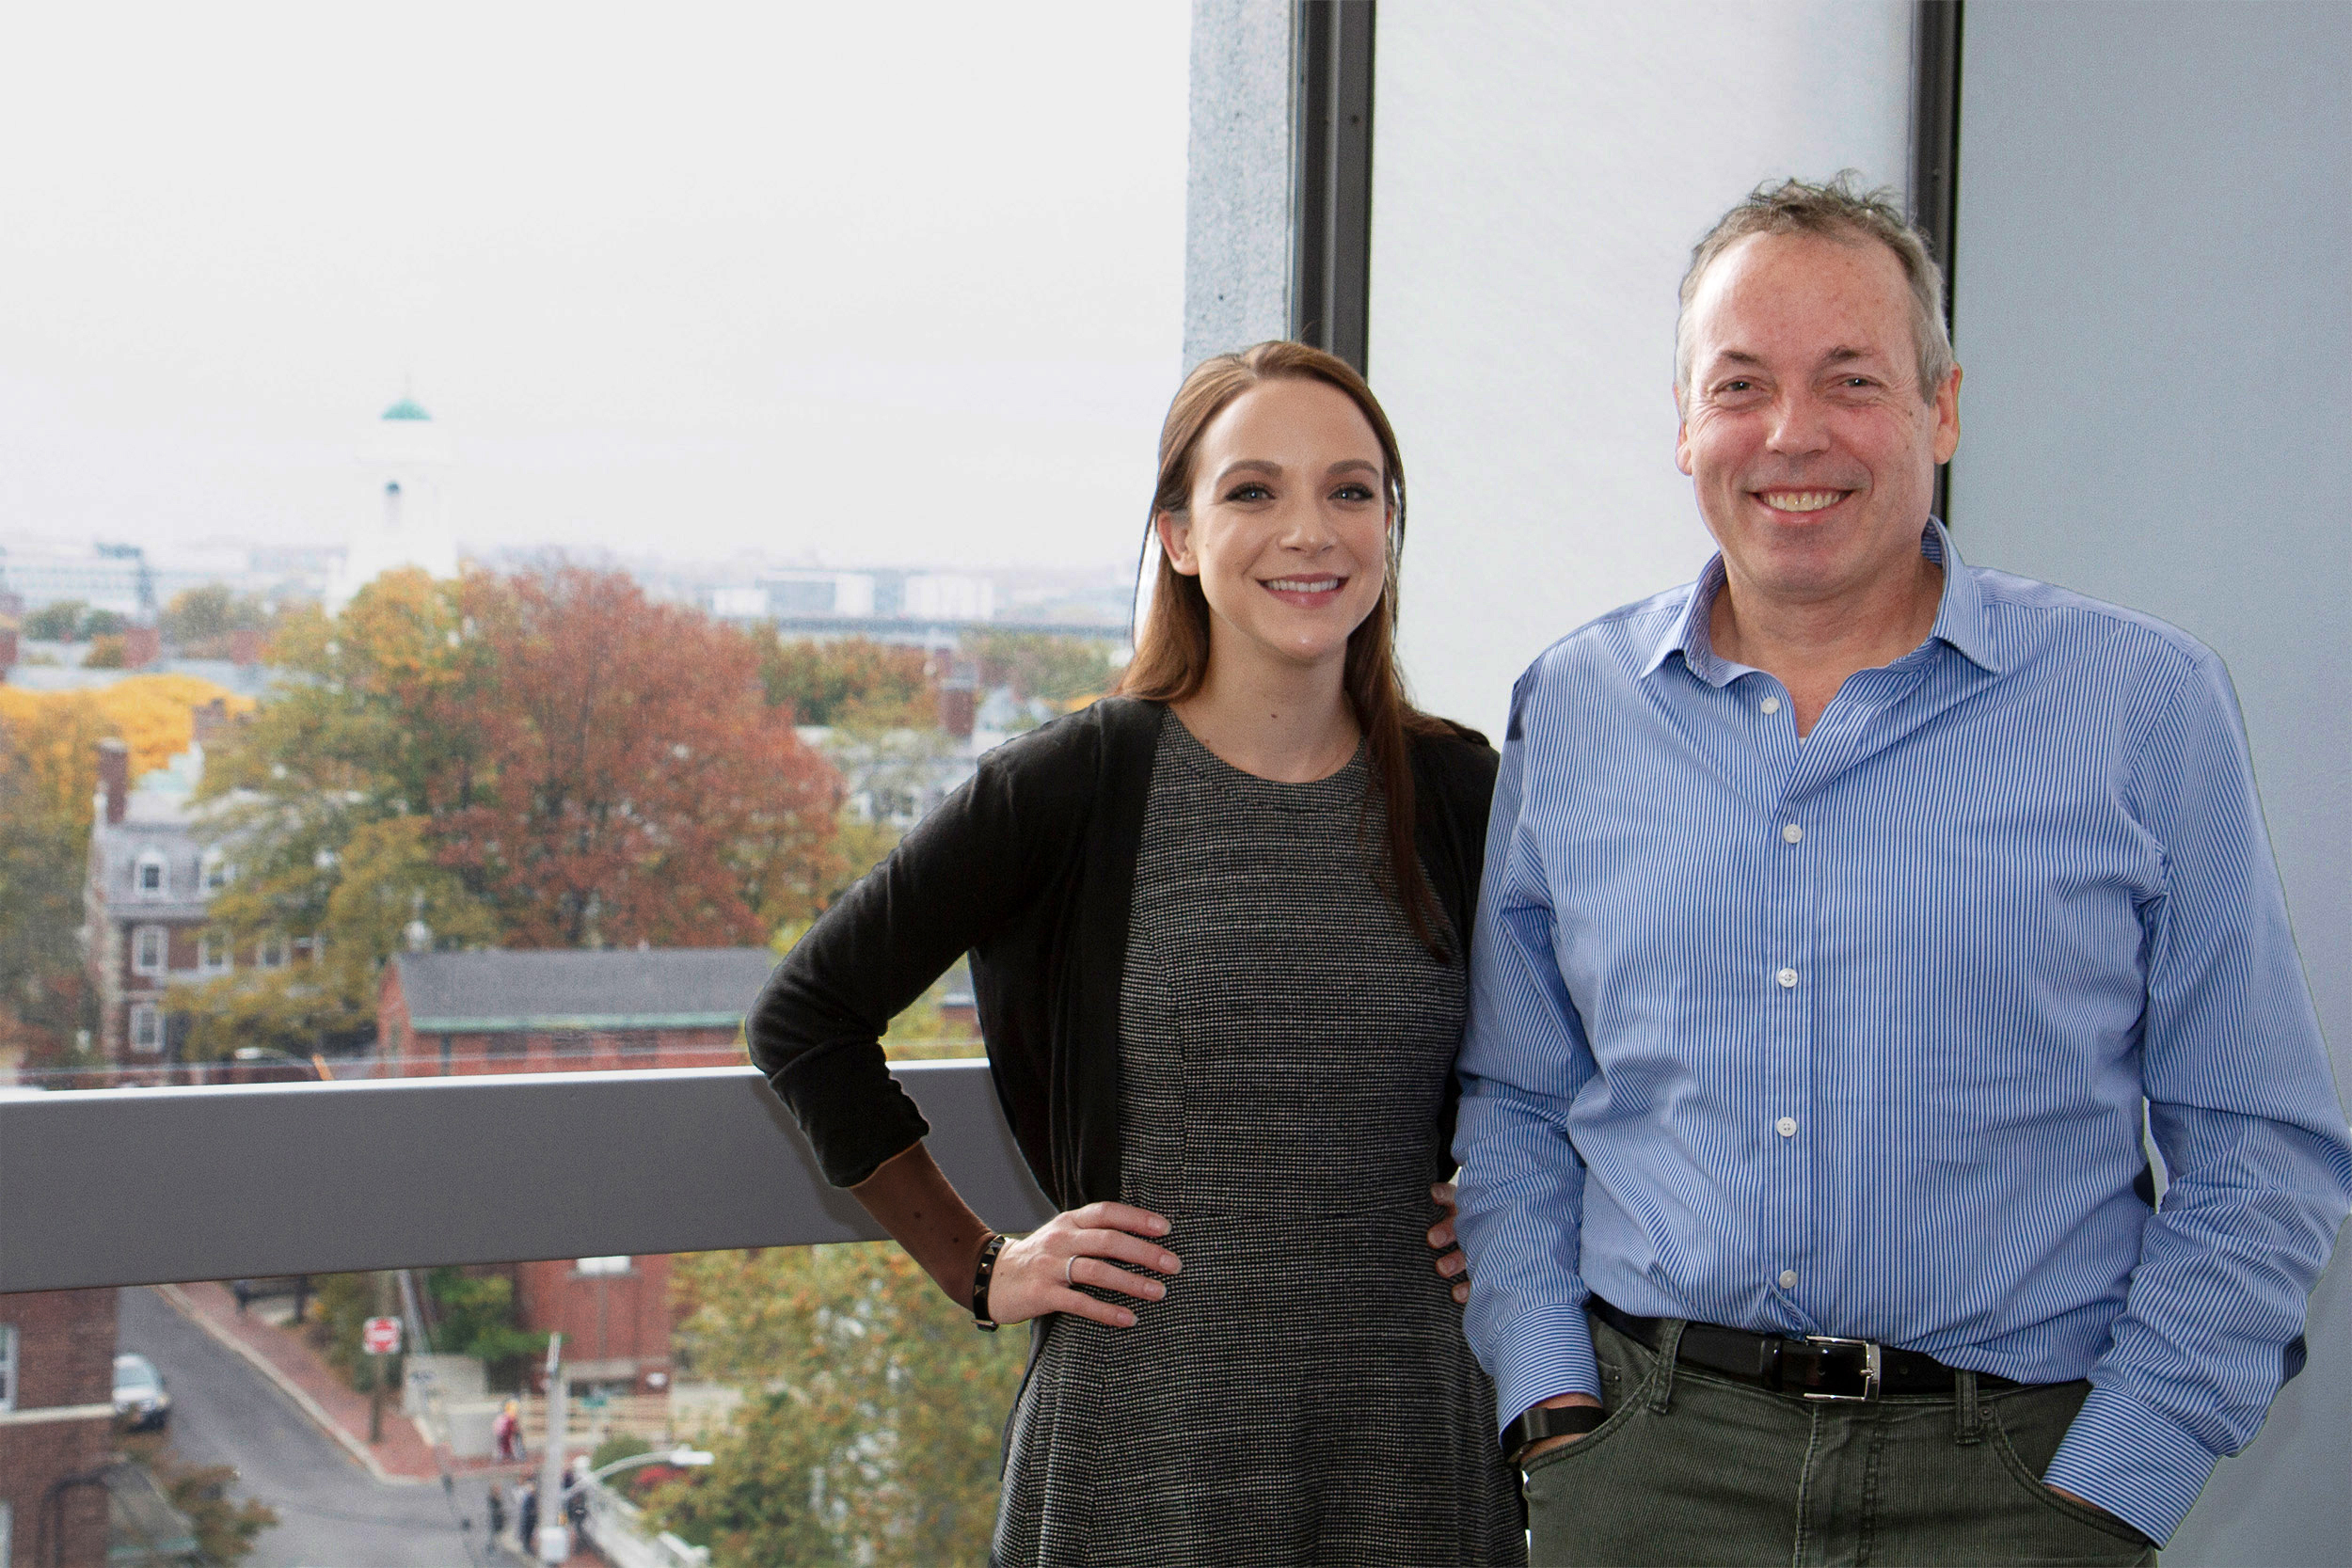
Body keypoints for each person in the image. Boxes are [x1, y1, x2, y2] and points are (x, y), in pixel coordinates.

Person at [1449, 174, 2352, 1565]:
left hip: (2017, 1482)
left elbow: (2258, 1139)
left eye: (1850, 380)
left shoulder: (2143, 701)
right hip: (1652, 1476)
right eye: (1740, 384)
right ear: (1685, 426)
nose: (1791, 434)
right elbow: (1517, 1100)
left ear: (1940, 407)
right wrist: (1552, 1407)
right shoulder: (1572, 706)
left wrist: (2124, 1476)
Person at [750, 341, 1523, 1565]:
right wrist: (980, 1264)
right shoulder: (1075, 786)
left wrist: (1523, 1213)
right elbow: (804, 1019)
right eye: (1252, 490)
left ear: (1389, 526)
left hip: (1412, 1432)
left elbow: (1608, 1048)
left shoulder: (1460, 790)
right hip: (1145, 1439)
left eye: (1352, 490)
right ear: (1177, 533)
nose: (1309, 531)